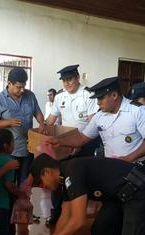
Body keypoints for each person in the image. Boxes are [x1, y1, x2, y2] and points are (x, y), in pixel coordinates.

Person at [44, 65, 100, 225]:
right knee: (57, 178)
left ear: (77, 78)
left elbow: (93, 124)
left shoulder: (89, 95)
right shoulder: (60, 97)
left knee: (78, 180)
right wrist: (40, 133)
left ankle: (77, 215)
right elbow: (50, 120)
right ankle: (56, 212)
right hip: (63, 145)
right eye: (64, 81)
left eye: (70, 79)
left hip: (85, 144)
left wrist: (80, 143)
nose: (67, 84)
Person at [0, 67, 45, 186]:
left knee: (24, 182)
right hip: (9, 150)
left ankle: (22, 202)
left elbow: (37, 112)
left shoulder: (30, 95)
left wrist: (41, 123)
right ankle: (10, 204)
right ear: (9, 83)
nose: (22, 90)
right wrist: (8, 123)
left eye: (24, 86)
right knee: (8, 183)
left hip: (28, 148)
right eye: (19, 87)